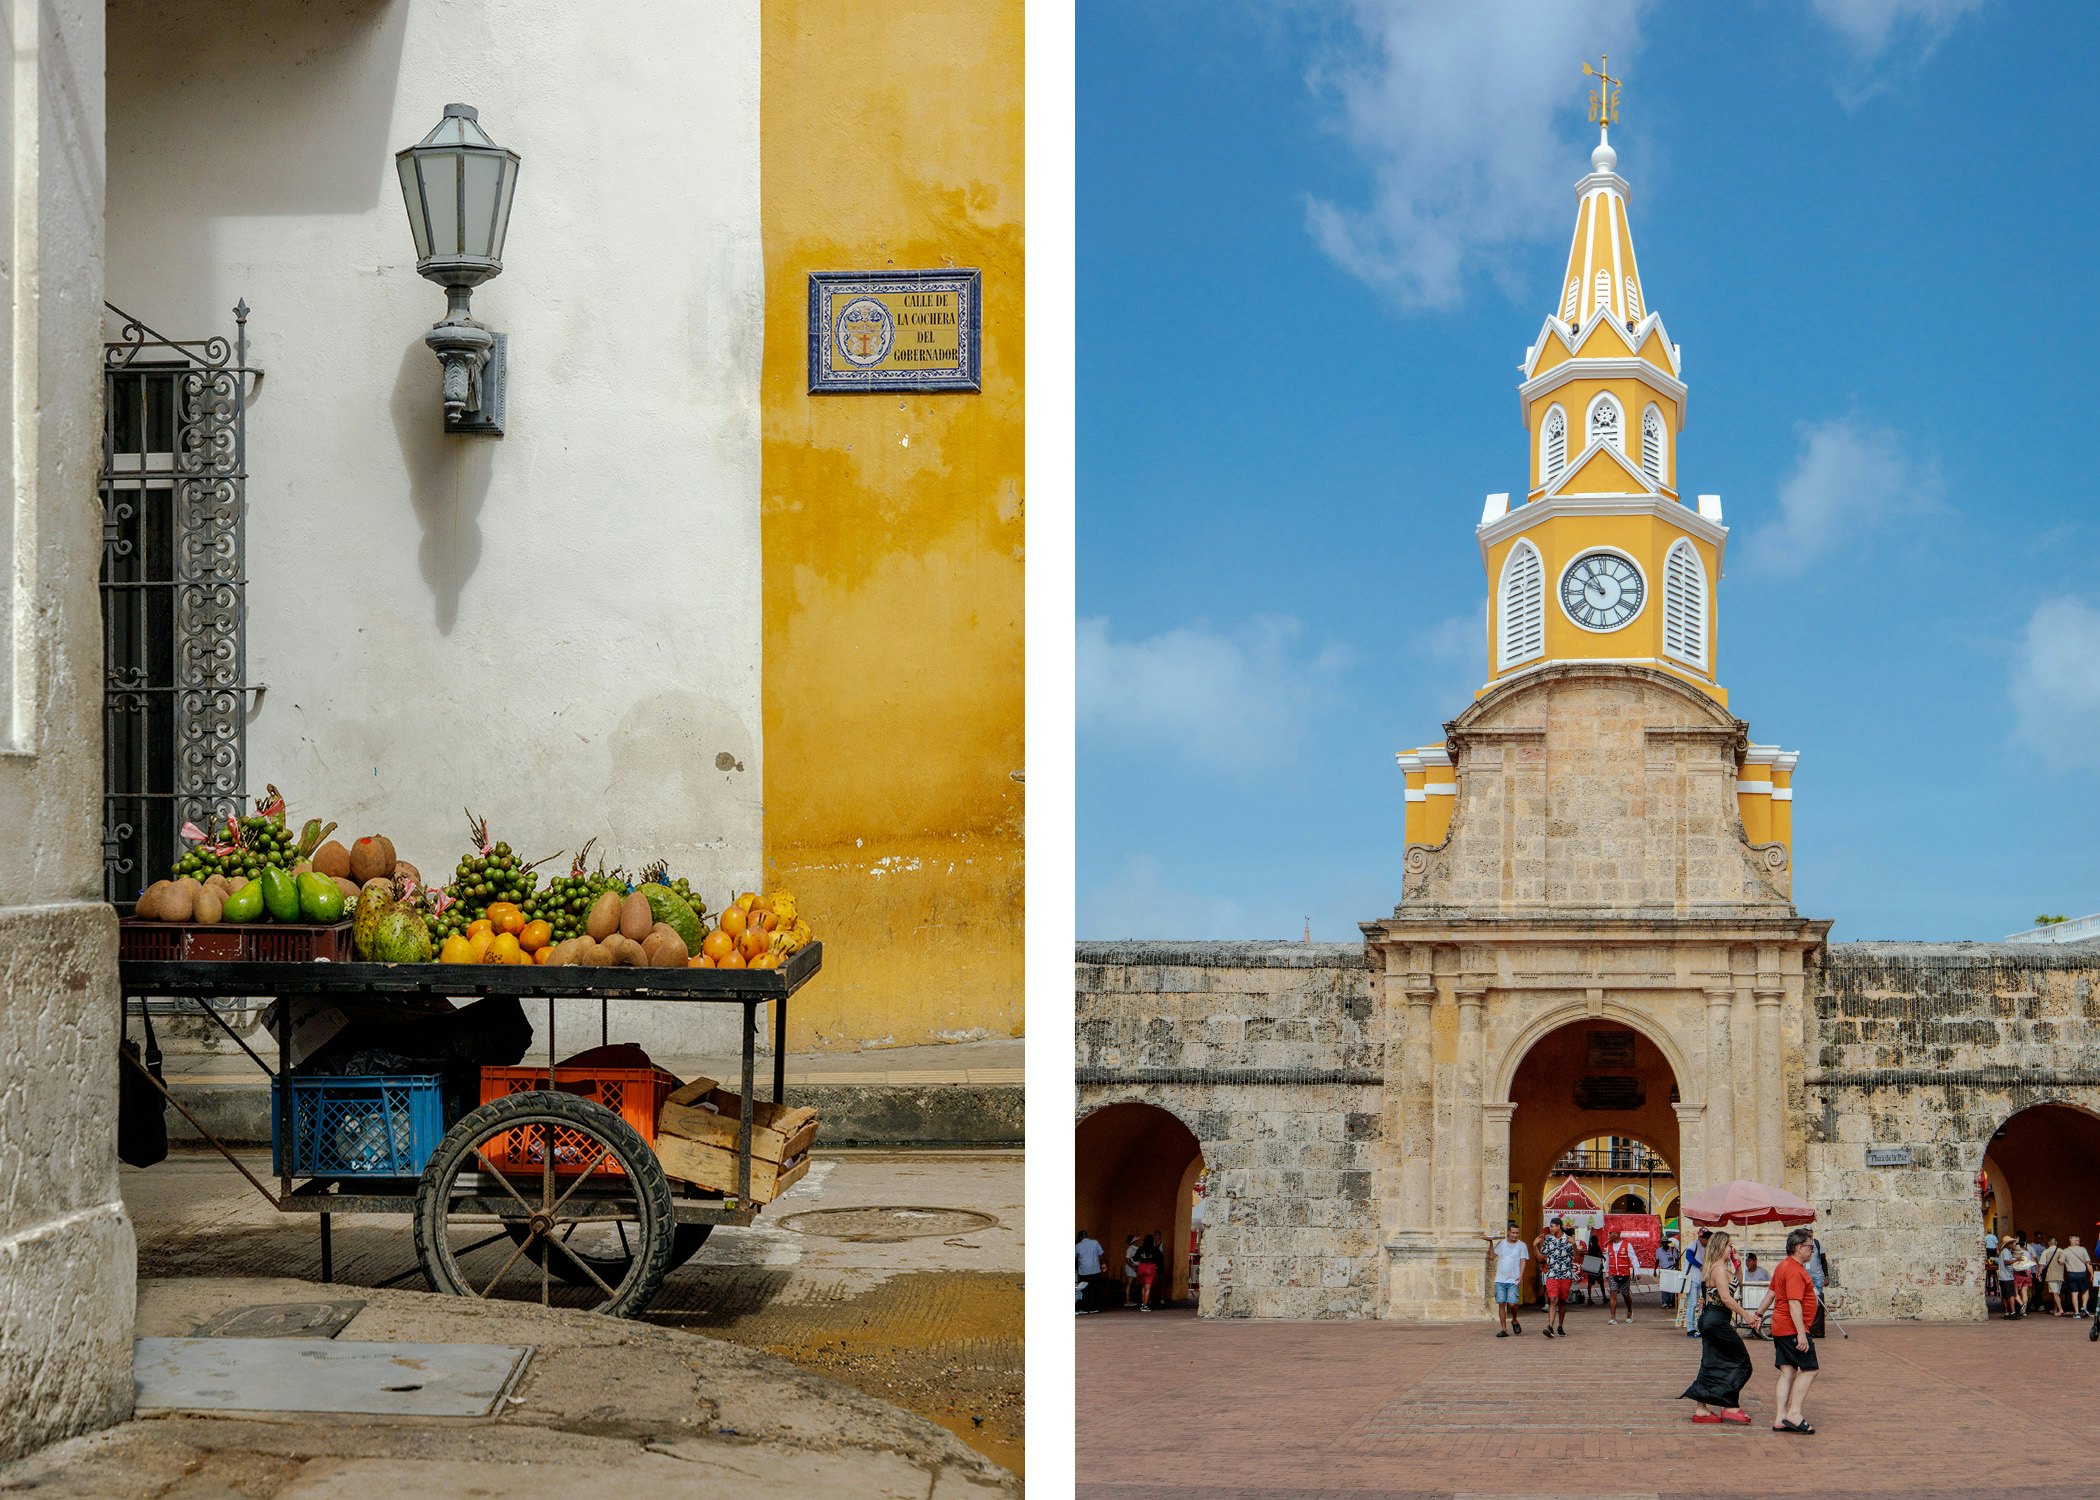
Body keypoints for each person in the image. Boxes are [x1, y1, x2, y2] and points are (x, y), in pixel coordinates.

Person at [1681, 1228, 1754, 1424]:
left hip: (1714, 1319)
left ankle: (1702, 1409)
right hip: (1716, 1319)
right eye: (1729, 1245)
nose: (1732, 1248)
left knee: (1712, 1362)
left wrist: (1737, 1263)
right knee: (1742, 1362)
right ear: (1721, 1246)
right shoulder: (1718, 1268)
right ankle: (1730, 1405)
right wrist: (1746, 1314)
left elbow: (1737, 1282)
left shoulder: (1721, 1267)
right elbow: (1725, 1298)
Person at [1756, 1227, 1822, 1434]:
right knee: (1810, 1368)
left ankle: (1780, 1417)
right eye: (1810, 1246)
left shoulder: (1783, 1266)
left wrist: (1759, 1313)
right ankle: (1794, 1413)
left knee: (1788, 1371)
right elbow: (1794, 1303)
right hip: (1792, 1328)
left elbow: (1771, 1292)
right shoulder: (1793, 1270)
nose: (1812, 1250)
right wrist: (1801, 1334)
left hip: (1781, 1326)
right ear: (1798, 1247)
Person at [1486, 1221, 1528, 1336]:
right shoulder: (1501, 1244)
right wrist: (1490, 1243)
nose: (1515, 1235)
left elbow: (1523, 1261)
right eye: (1513, 1233)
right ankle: (1504, 1329)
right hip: (1500, 1279)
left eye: (1517, 1233)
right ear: (1508, 1232)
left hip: (1513, 1279)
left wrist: (1521, 1276)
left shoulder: (1522, 1245)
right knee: (1501, 1304)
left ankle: (1514, 1320)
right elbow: (1491, 1256)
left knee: (1512, 1304)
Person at [1539, 1220, 1576, 1337]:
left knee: (1562, 1301)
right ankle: (1550, 1326)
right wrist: (1534, 1245)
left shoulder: (1568, 1239)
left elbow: (1577, 1255)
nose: (1550, 1228)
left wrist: (1574, 1244)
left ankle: (1560, 1326)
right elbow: (1541, 1257)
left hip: (1566, 1275)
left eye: (1552, 1226)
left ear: (1558, 1226)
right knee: (1553, 1299)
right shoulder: (1548, 1239)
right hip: (1552, 1274)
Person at [1605, 1229, 1642, 1324]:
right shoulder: (1608, 1246)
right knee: (1613, 1293)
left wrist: (1637, 1272)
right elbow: (1607, 1261)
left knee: (1626, 1295)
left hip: (1624, 1274)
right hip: (1613, 1274)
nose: (1609, 1235)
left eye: (1611, 1233)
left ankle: (1629, 1311)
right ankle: (1613, 1317)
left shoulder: (1627, 1245)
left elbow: (1633, 1258)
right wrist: (1606, 1273)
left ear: (1617, 1234)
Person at [2060, 1235, 2092, 1319]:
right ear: (2073, 1241)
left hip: (2071, 1274)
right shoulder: (2083, 1249)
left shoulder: (2065, 1251)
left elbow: (2061, 1263)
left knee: (2074, 1293)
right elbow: (2088, 1263)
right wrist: (2092, 1274)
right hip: (2082, 1273)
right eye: (2077, 1240)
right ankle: (2084, 1306)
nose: (2079, 1242)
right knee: (2085, 1290)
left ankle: (2077, 1312)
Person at [1132, 1232, 1165, 1311]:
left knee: (1143, 1286)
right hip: (1151, 1267)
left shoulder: (1140, 1248)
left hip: (1141, 1267)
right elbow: (1161, 1258)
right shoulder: (1155, 1249)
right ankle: (1145, 1305)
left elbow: (1135, 1258)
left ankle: (1142, 1304)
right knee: (1148, 1286)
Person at [1682, 1229, 1707, 1336]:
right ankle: (1690, 1328)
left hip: (1701, 1279)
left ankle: (1697, 1326)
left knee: (1698, 1304)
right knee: (1692, 1304)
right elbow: (1689, 1257)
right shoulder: (1693, 1245)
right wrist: (1700, 1266)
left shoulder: (1706, 1247)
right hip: (1692, 1278)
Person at [1075, 1229, 1105, 1314]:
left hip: (1084, 1272)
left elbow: (1074, 1258)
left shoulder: (1077, 1246)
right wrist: (1103, 1264)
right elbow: (1101, 1254)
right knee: (1095, 1290)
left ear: (1080, 1237)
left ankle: (1085, 1308)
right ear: (1086, 1236)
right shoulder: (1095, 1242)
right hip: (1095, 1270)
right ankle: (1095, 1308)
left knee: (1085, 1291)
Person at [1656, 1235, 1681, 1312]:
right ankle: (1664, 1302)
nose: (1664, 1244)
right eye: (1663, 1243)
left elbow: (1677, 1260)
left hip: (1671, 1270)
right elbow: (1657, 1261)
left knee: (1670, 1287)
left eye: (1665, 1242)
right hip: (1663, 1270)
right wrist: (1654, 1270)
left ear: (1667, 1243)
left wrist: (1676, 1267)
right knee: (1663, 1287)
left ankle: (1670, 1302)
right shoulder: (1658, 1251)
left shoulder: (1673, 1250)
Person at [1997, 1239, 2019, 1318]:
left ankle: (2007, 1312)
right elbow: (2006, 1262)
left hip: (2002, 1277)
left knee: (2005, 1296)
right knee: (2011, 1295)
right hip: (2007, 1277)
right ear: (2008, 1244)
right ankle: (2013, 1312)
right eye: (2012, 1243)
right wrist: (2016, 1260)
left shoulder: (2003, 1252)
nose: (2013, 1244)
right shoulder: (2006, 1251)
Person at [1122, 1235, 1141, 1307]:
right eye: (1136, 1240)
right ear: (1133, 1241)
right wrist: (1134, 1267)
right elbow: (1127, 1259)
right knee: (1129, 1284)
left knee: (1132, 1284)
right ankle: (1127, 1301)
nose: (1137, 1241)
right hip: (1131, 1268)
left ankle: (1130, 1300)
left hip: (1134, 1267)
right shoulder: (1130, 1249)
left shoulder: (1136, 1248)